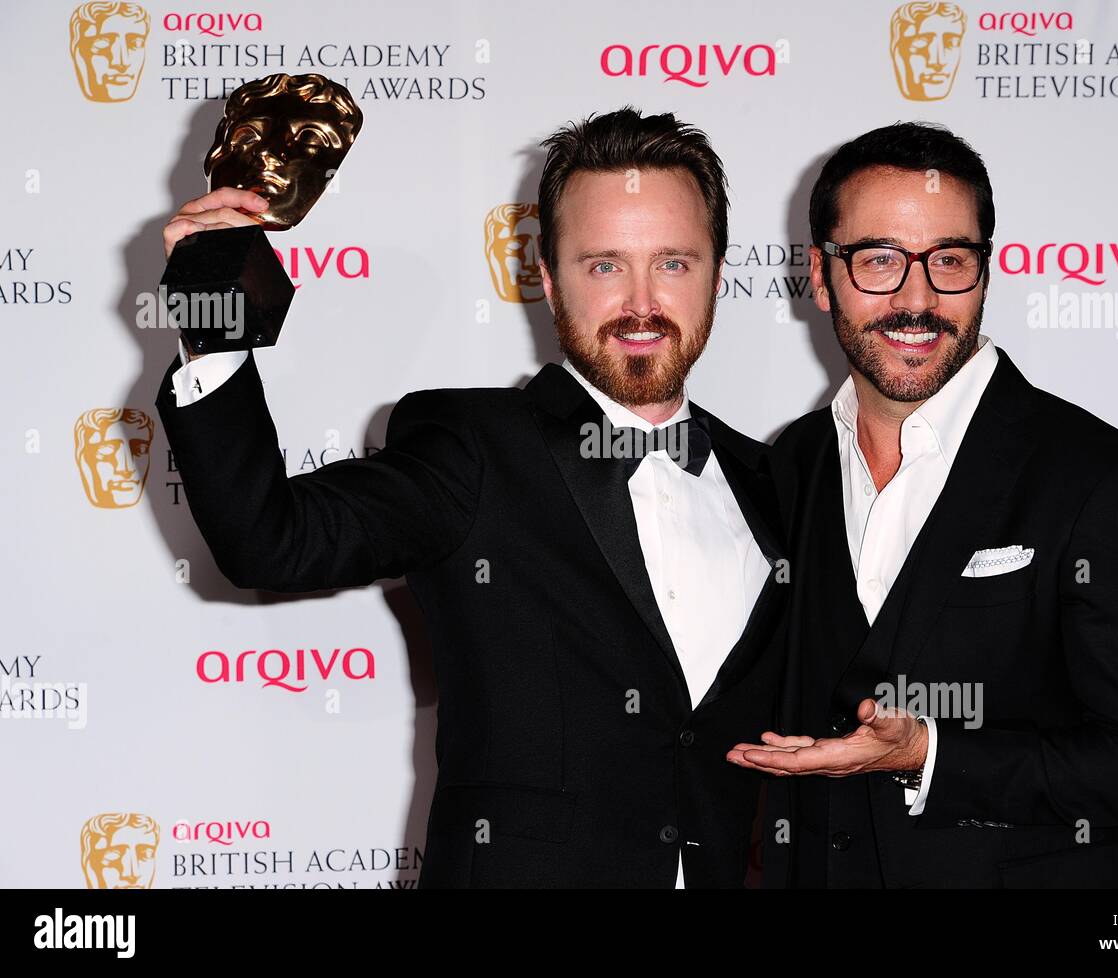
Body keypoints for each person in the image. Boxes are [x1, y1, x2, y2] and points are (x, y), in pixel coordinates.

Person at [155, 107, 786, 888]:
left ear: (719, 276)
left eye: (674, 263)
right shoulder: (472, 449)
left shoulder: (775, 483)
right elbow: (270, 539)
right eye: (603, 265)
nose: (641, 300)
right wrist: (213, 324)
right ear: (549, 281)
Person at [730, 122, 1118, 888]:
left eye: (949, 260)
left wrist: (929, 753)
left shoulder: (1100, 475)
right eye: (879, 260)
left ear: (985, 271)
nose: (917, 300)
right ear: (820, 276)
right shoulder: (790, 464)